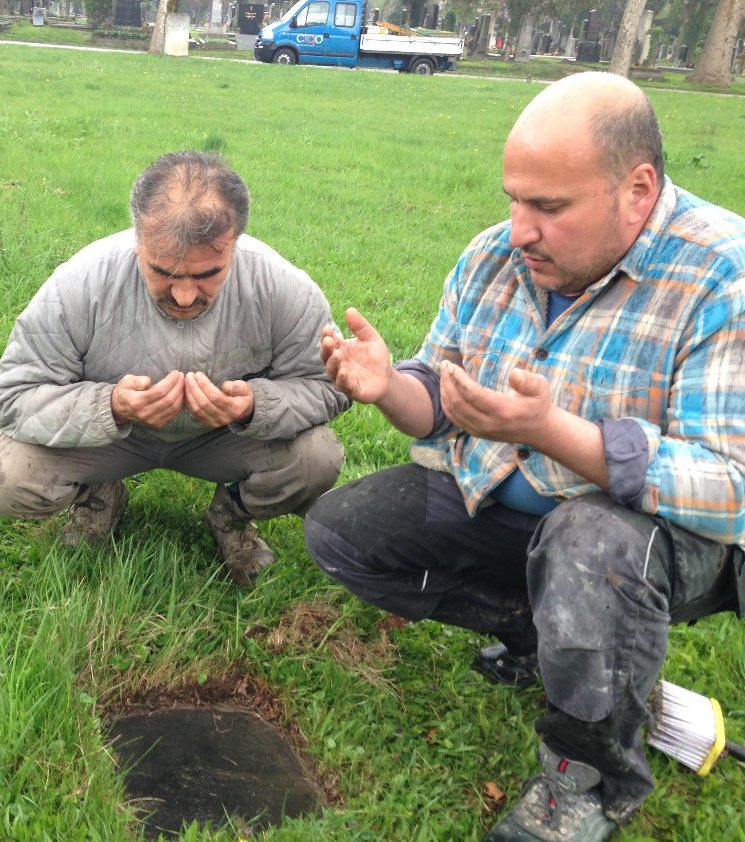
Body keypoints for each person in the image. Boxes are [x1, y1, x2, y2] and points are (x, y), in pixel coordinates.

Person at [304, 72, 744, 841]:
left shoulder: (722, 275)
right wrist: (388, 388)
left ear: (637, 189)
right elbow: (441, 393)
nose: (518, 230)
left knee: (588, 542)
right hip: (505, 502)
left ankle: (587, 781)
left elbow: (731, 487)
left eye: (548, 207)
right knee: (344, 530)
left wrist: (554, 433)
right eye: (513, 198)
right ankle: (560, 649)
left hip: (653, 545)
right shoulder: (494, 257)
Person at [0, 151, 347, 585]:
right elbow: (13, 395)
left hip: (221, 439)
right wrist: (109, 407)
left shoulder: (283, 288)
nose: (185, 296)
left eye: (208, 274)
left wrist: (253, 407)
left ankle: (231, 515)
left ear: (235, 243)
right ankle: (98, 496)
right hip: (111, 439)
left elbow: (327, 388)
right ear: (137, 240)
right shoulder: (80, 283)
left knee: (317, 458)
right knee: (5, 478)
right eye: (163, 272)